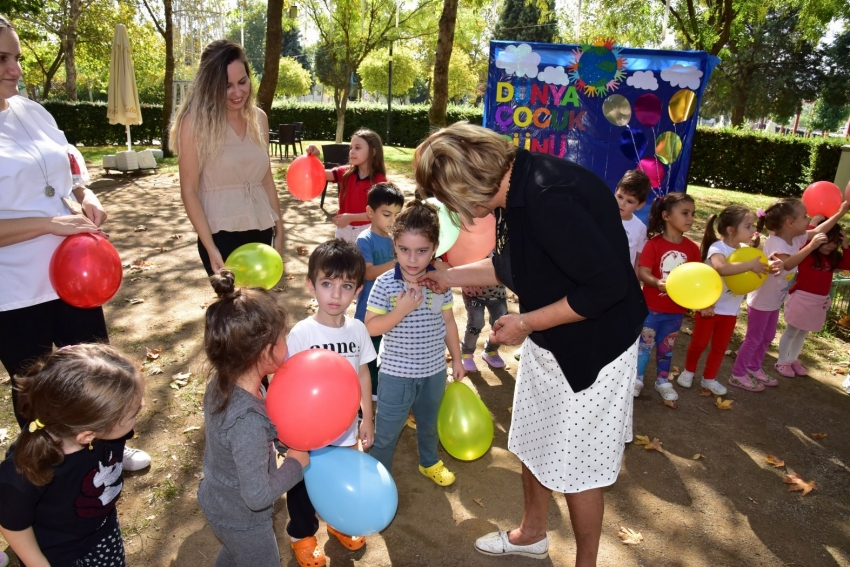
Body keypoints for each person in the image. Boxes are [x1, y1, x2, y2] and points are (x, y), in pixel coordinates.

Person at [412, 123, 646, 565]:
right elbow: (515, 265)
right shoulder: (517, 185)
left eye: (450, 198)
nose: (454, 208)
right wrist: (448, 276)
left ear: (468, 184)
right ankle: (532, 534)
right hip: (551, 334)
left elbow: (607, 287)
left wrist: (524, 322)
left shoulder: (548, 196)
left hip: (596, 349)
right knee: (534, 440)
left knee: (579, 468)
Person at [0, 15, 150, 473]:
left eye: (17, 58)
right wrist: (48, 224)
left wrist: (86, 196)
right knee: (34, 385)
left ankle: (110, 452)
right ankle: (42, 469)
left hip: (74, 275)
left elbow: (69, 169)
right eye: (2, 58)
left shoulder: (32, 111)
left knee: (96, 368)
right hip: (15, 289)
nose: (16, 69)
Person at [198, 269, 310, 566]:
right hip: (243, 517)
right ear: (265, 352)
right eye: (283, 336)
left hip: (220, 500)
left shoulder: (226, 381)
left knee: (236, 555)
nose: (288, 340)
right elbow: (258, 496)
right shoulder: (245, 420)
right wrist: (295, 464)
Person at [0, 344, 145, 567]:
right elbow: (13, 524)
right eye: (134, 413)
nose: (141, 407)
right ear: (88, 435)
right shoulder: (24, 471)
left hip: (102, 531)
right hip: (58, 555)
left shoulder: (106, 432)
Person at [285, 240, 376, 566]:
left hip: (346, 430)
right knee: (302, 487)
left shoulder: (358, 330)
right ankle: (302, 535)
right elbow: (288, 385)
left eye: (345, 286)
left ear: (357, 290)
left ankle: (339, 522)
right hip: (306, 434)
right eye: (327, 284)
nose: (335, 295)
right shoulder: (302, 333)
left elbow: (363, 374)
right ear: (311, 286)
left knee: (344, 478)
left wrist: (367, 418)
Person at [365, 201, 464, 487]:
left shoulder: (438, 283)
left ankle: (429, 461)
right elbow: (371, 326)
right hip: (396, 373)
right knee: (387, 430)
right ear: (394, 245)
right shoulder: (385, 284)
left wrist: (456, 359)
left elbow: (448, 322)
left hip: (433, 371)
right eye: (404, 250)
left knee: (429, 421)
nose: (412, 259)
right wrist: (401, 311)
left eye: (421, 251)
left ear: (434, 248)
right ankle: (377, 476)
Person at [171, 40, 284, 277]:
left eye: (242, 82)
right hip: (219, 235)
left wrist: (280, 229)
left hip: (261, 229)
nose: (237, 92)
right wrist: (210, 247)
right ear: (210, 86)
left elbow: (266, 181)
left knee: (261, 309)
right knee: (232, 311)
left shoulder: (259, 119)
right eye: (227, 86)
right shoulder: (194, 123)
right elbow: (189, 191)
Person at [731, 199, 848, 391]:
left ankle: (754, 368)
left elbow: (819, 231)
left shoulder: (796, 238)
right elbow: (787, 264)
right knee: (754, 339)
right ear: (790, 223)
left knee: (767, 337)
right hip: (761, 302)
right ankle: (738, 374)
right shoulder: (776, 242)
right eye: (804, 217)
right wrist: (810, 247)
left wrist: (841, 212)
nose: (808, 220)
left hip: (774, 301)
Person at [676, 206, 767, 395]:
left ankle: (710, 378)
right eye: (748, 226)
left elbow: (750, 278)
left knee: (719, 348)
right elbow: (721, 268)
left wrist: (767, 267)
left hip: (730, 311)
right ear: (731, 230)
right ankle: (688, 371)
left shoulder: (746, 251)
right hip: (709, 308)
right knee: (699, 344)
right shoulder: (717, 248)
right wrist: (750, 265)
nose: (753, 231)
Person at [636, 192, 701, 404]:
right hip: (651, 308)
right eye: (684, 213)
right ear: (666, 215)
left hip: (675, 311)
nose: (690, 218)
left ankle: (662, 380)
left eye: (692, 213)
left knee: (667, 346)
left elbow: (697, 278)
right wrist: (657, 282)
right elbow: (642, 272)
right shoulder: (654, 245)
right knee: (644, 346)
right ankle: (637, 378)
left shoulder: (692, 249)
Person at [776, 222, 850, 376]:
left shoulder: (833, 258)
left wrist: (845, 245)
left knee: (803, 333)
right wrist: (817, 223)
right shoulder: (807, 254)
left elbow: (848, 264)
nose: (831, 246)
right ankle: (782, 361)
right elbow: (807, 234)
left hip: (818, 302)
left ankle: (792, 359)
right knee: (791, 332)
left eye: (835, 243)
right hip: (802, 299)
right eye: (828, 241)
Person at [354, 182, 405, 398]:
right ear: (370, 212)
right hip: (369, 310)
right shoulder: (365, 239)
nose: (393, 220)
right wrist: (399, 262)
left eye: (397, 215)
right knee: (369, 351)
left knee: (391, 348)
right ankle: (370, 391)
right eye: (386, 214)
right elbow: (368, 273)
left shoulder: (397, 239)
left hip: (393, 308)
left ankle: (386, 385)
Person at [306, 129, 387, 243]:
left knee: (363, 261)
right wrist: (315, 156)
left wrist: (350, 218)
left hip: (368, 231)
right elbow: (320, 174)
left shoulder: (380, 181)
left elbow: (378, 214)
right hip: (343, 230)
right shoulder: (345, 173)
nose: (352, 151)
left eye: (357, 148)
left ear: (373, 152)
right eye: (351, 148)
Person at [459, 264, 509, 372]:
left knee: (501, 323)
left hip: (497, 294)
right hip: (473, 294)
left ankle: (491, 351)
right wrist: (467, 281)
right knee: (476, 322)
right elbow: (462, 263)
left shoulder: (502, 248)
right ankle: (466, 354)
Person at [615, 169, 650, 276]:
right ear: (615, 191)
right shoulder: (600, 216)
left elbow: (638, 261)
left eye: (630, 201)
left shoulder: (640, 228)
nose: (622, 203)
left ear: (640, 205)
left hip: (621, 281)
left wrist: (634, 287)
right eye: (620, 197)